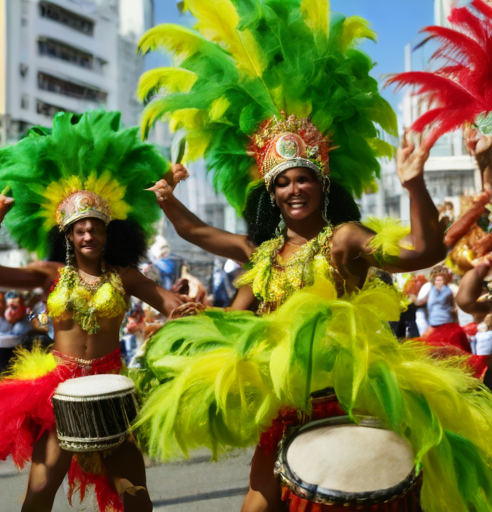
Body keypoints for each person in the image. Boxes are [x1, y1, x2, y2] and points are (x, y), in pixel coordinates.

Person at [131, 2, 492, 511]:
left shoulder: (345, 239)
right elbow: (199, 235)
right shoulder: (262, 255)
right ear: (271, 194)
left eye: (303, 178)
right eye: (283, 181)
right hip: (282, 408)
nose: (294, 188)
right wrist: (167, 200)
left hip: (350, 401)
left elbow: (422, 252)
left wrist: (413, 186)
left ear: (321, 184)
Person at [0, 110, 189, 512]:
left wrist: (181, 306)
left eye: (95, 226)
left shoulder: (125, 276)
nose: (88, 233)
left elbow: (167, 302)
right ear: (68, 235)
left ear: (109, 232)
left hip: (112, 389)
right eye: (80, 229)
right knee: (39, 495)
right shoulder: (49, 274)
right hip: (60, 393)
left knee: (135, 498)